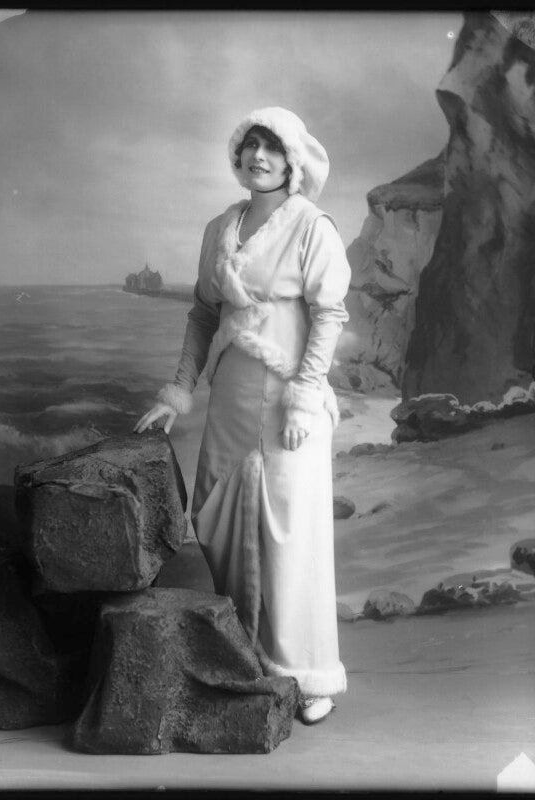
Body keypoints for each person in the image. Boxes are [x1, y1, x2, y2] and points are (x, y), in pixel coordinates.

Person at [135, 107, 351, 725]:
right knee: (219, 518)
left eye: (271, 149)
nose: (258, 157)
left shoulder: (312, 226)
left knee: (289, 534)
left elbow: (329, 316)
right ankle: (248, 658)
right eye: (250, 146)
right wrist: (179, 390)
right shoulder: (218, 229)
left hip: (288, 403)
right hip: (230, 398)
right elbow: (204, 316)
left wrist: (305, 395)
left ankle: (307, 676)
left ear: (293, 162)